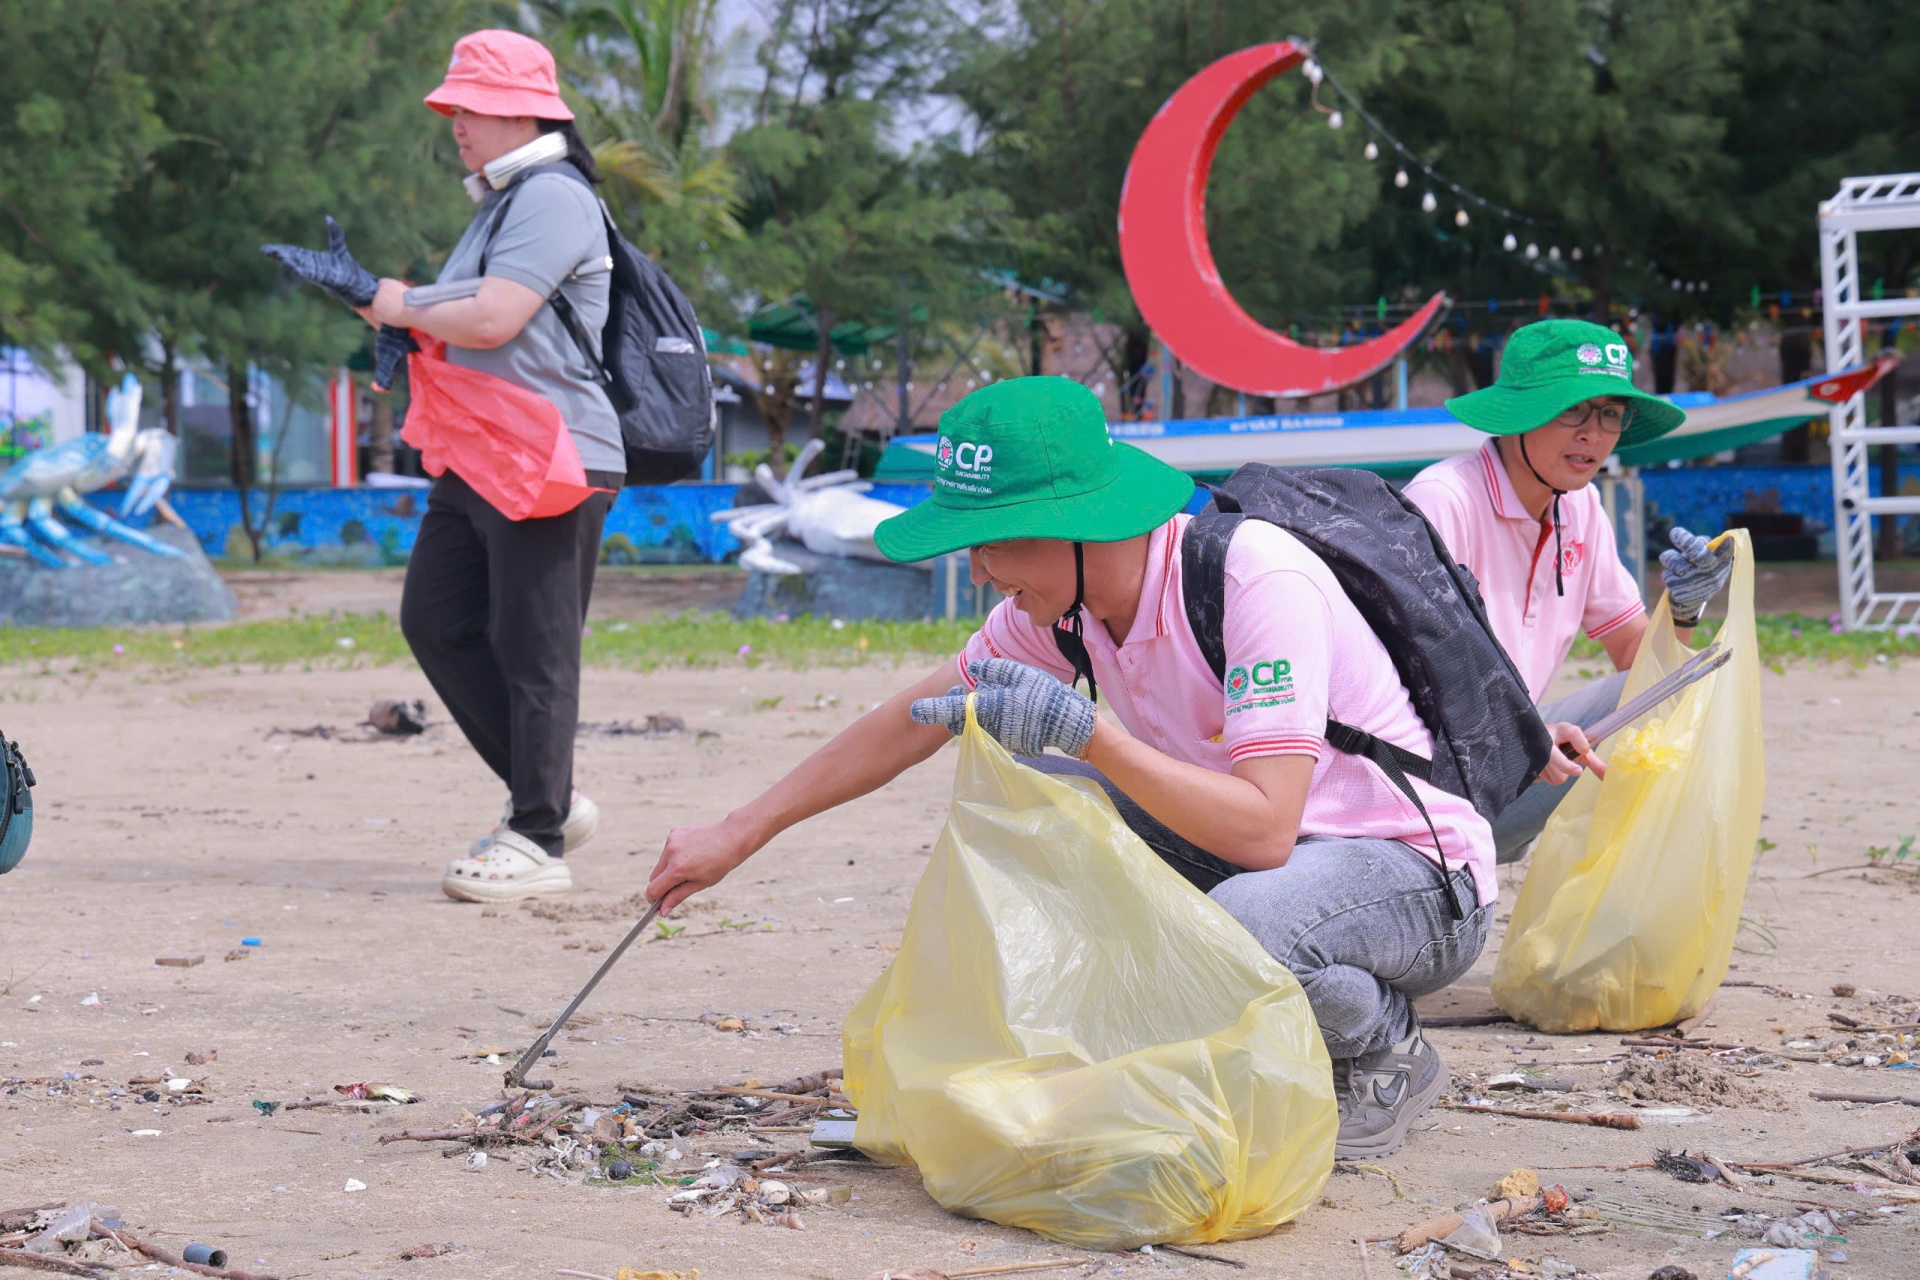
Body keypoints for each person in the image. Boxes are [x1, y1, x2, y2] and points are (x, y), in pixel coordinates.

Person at [649, 376, 1511, 1159]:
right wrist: (740, 831)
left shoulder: (1251, 578)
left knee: (1246, 917)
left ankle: (1381, 1039)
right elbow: (909, 723)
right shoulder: (1060, 609)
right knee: (1036, 795)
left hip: (1410, 876)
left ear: (1075, 521)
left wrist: (1098, 737)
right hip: (1270, 857)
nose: (979, 571)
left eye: (992, 542)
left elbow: (1263, 830)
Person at [360, 30, 627, 900]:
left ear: (520, 110)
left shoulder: (553, 195)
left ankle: (538, 840)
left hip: (553, 454)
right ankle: (546, 793)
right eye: (450, 108)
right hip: (486, 452)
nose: (452, 123)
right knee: (436, 619)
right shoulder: (500, 202)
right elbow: (458, 316)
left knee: (535, 645)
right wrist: (390, 310)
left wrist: (390, 298)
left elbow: (491, 318)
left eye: (465, 107)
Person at [1402, 319, 1736, 865]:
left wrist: (1683, 607)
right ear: (1518, 415)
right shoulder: (1445, 501)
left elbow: (1640, 659)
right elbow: (1410, 685)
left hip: (1512, 761)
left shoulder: (1579, 507)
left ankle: (1619, 905)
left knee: (1678, 690)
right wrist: (1523, 736)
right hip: (1421, 784)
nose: (1594, 434)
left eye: (1609, 413)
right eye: (1572, 409)